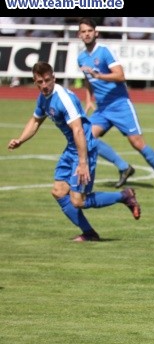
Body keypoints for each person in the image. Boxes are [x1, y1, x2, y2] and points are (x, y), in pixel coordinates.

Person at [7, 61, 141, 242]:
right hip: (71, 148)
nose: (44, 85)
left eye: (47, 80)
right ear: (35, 81)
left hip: (84, 148)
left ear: (54, 78)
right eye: (40, 82)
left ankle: (124, 196)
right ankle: (90, 233)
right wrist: (21, 140)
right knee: (58, 191)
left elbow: (78, 130)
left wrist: (82, 162)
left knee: (78, 200)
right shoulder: (43, 97)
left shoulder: (64, 99)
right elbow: (35, 120)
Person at [77, 18, 154, 189]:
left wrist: (100, 76)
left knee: (137, 143)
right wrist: (88, 98)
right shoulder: (81, 58)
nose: (87, 34)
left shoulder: (104, 52)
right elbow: (88, 79)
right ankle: (124, 167)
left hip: (120, 104)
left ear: (96, 33)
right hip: (102, 108)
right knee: (86, 138)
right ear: (79, 35)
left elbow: (120, 76)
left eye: (89, 31)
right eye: (83, 31)